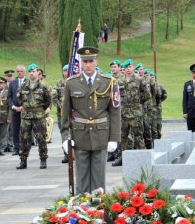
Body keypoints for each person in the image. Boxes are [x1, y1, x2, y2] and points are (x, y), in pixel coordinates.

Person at [61, 47, 121, 193]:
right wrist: (65, 137)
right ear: (81, 63)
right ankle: (82, 209)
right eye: (85, 61)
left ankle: (98, 210)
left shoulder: (109, 82)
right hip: (79, 135)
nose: (88, 65)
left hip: (101, 135)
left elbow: (115, 111)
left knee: (99, 179)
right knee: (81, 178)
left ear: (96, 62)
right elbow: (65, 113)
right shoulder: (71, 83)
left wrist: (114, 138)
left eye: (91, 61)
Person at [112, 59, 150, 167]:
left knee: (138, 136)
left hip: (136, 113)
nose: (128, 69)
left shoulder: (139, 80)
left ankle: (142, 158)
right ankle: (122, 157)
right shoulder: (119, 80)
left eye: (130, 67)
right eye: (126, 67)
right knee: (122, 137)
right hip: (123, 113)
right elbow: (115, 96)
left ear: (133, 67)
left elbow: (147, 95)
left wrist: (137, 103)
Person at [16, 63, 52, 170]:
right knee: (24, 139)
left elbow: (48, 100)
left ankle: (43, 159)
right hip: (26, 116)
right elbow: (19, 99)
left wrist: (40, 109)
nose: (32, 73)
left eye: (34, 71)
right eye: (30, 71)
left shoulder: (43, 86)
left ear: (38, 73)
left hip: (39, 116)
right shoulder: (23, 86)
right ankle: (23, 160)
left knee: (41, 138)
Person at [8, 65, 26, 156]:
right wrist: (13, 107)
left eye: (21, 71)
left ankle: (25, 148)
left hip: (26, 110)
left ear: (24, 72)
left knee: (25, 130)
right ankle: (16, 148)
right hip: (15, 110)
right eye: (18, 71)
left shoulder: (28, 82)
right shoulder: (13, 83)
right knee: (15, 129)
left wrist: (24, 106)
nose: (19, 73)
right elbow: (9, 97)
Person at [53, 65, 69, 163]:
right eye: (65, 71)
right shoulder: (59, 83)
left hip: (74, 114)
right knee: (64, 134)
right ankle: (66, 154)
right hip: (62, 114)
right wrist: (60, 106)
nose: (66, 72)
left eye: (68, 70)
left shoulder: (75, 82)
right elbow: (54, 96)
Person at [0, 77, 10, 159]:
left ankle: (1, 149)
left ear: (5, 84)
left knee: (3, 134)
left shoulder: (7, 93)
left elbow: (9, 106)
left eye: (1, 83)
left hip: (5, 117)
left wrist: (9, 117)